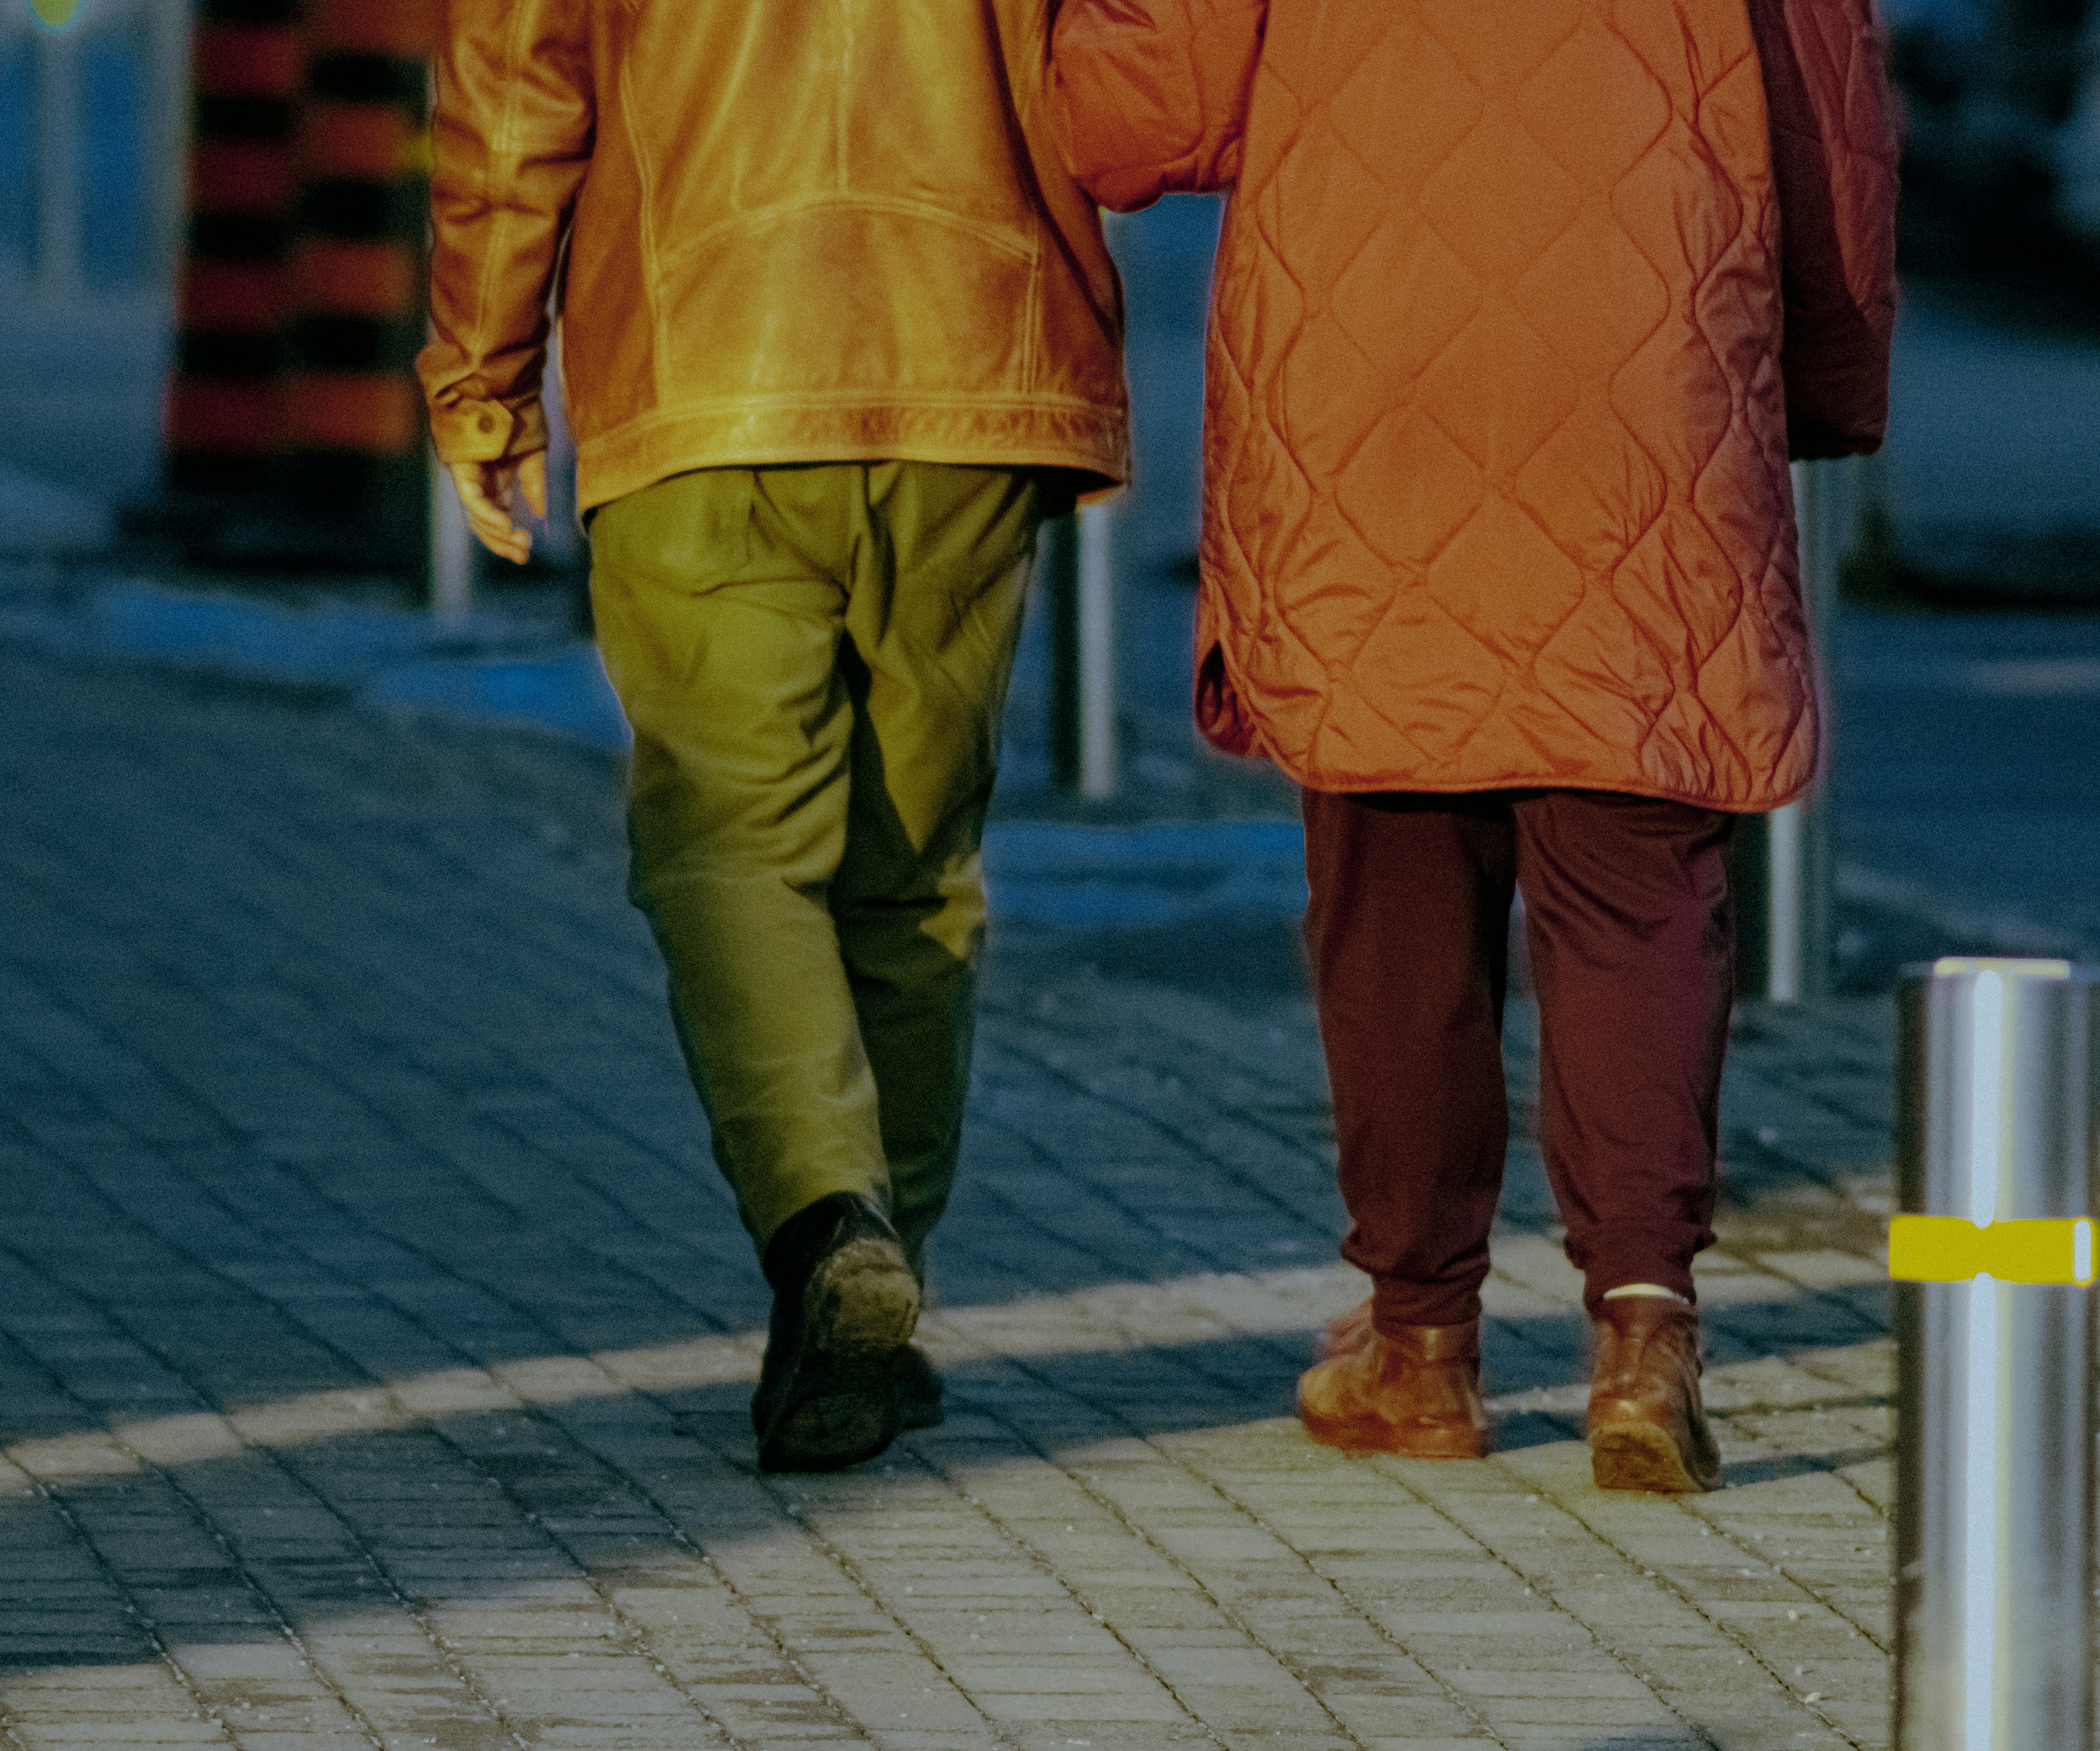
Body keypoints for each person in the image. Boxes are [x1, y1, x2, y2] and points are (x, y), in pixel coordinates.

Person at [1052, 0, 1895, 1490]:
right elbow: (1828, 123)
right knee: (1641, 880)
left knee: (1390, 888)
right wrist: (1820, 383)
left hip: (1367, 379)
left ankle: (1419, 1341)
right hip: (1647, 368)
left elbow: (1136, 118)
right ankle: (1643, 1333)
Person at [420, 2, 1130, 1473]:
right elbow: (1149, 64)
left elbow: (512, 85)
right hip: (974, 349)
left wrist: (482, 375)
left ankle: (829, 1228)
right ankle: (870, 1295)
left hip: (706, 363)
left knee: (731, 844)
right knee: (913, 869)